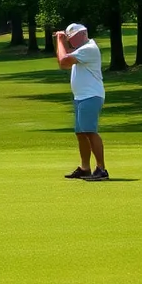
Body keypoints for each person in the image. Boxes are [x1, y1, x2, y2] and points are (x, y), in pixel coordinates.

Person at [55, 23, 109, 181]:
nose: (70, 40)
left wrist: (59, 40)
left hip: (90, 96)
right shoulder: (80, 50)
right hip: (81, 97)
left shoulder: (89, 48)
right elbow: (65, 58)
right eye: (69, 38)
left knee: (90, 132)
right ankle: (85, 168)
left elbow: (63, 61)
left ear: (83, 33)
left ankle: (101, 169)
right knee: (81, 133)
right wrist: (63, 42)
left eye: (73, 37)